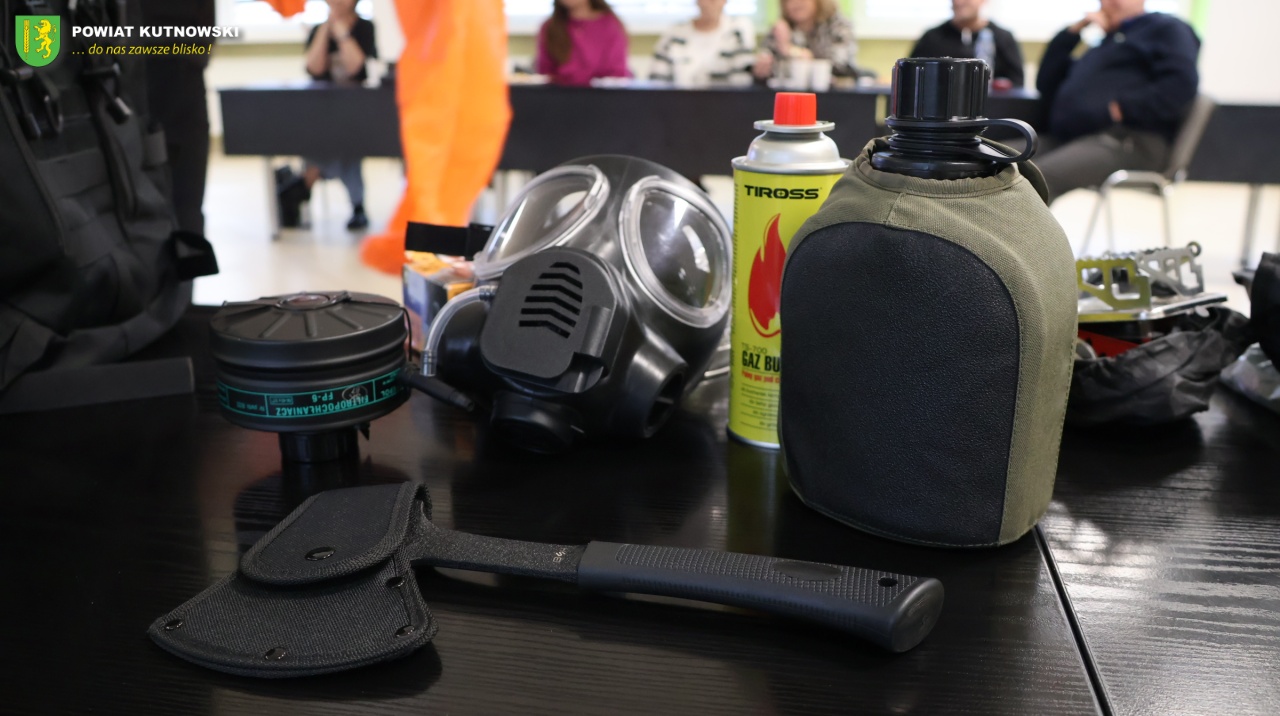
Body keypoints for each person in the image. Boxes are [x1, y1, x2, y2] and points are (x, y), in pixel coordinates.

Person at [1033, 0, 1199, 202]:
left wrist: (1122, 109)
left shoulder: (1166, 28)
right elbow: (1046, 83)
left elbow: (1180, 85)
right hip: (1072, 137)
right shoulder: (1109, 42)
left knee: (1035, 178)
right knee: (1000, 160)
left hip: (1128, 141)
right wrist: (1072, 33)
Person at [278, 0, 377, 230]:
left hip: (355, 110)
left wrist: (341, 32)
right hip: (322, 111)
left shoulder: (364, 27)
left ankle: (303, 183)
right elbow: (314, 68)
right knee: (327, 140)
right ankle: (357, 205)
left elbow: (356, 68)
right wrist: (325, 29)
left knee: (347, 142)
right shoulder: (318, 29)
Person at [910, 0, 1023, 88]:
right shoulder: (932, 38)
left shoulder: (1002, 38)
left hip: (991, 106)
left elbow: (1017, 82)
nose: (959, 2)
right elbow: (911, 76)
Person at [649, 0, 756, 85]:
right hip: (679, 103)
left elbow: (743, 82)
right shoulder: (675, 33)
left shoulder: (737, 32)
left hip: (724, 103)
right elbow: (656, 82)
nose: (708, 4)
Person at [753, 0, 861, 81]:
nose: (796, 3)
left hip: (835, 97)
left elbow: (839, 66)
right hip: (790, 96)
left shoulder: (838, 26)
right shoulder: (781, 28)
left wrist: (791, 51)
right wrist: (761, 68)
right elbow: (765, 63)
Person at [536, 0, 631, 86]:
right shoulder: (550, 27)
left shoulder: (610, 25)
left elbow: (617, 74)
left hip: (601, 96)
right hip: (560, 96)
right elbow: (545, 73)